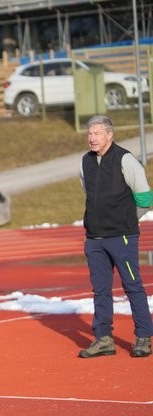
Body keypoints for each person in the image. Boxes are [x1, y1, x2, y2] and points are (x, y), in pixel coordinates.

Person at [78, 114, 153, 358]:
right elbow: (89, 193)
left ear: (110, 134)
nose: (92, 138)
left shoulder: (126, 159)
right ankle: (103, 338)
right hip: (95, 239)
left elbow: (144, 198)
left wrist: (127, 220)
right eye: (90, 133)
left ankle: (143, 337)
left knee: (132, 286)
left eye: (97, 133)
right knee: (100, 290)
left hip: (121, 237)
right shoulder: (85, 162)